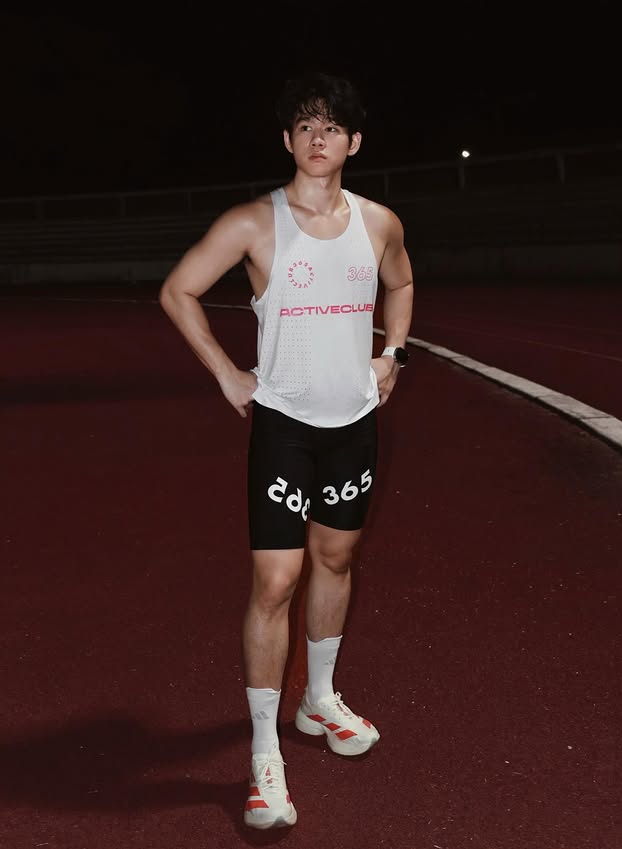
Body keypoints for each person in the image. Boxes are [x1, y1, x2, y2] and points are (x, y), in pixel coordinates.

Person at [159, 70, 414, 829]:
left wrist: (394, 354)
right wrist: (226, 373)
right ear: (287, 139)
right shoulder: (254, 223)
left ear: (353, 142)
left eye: (331, 126)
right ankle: (265, 753)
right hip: (284, 425)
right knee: (276, 580)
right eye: (304, 126)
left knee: (336, 559)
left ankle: (319, 699)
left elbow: (401, 284)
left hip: (355, 424)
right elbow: (178, 290)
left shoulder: (379, 223)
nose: (317, 138)